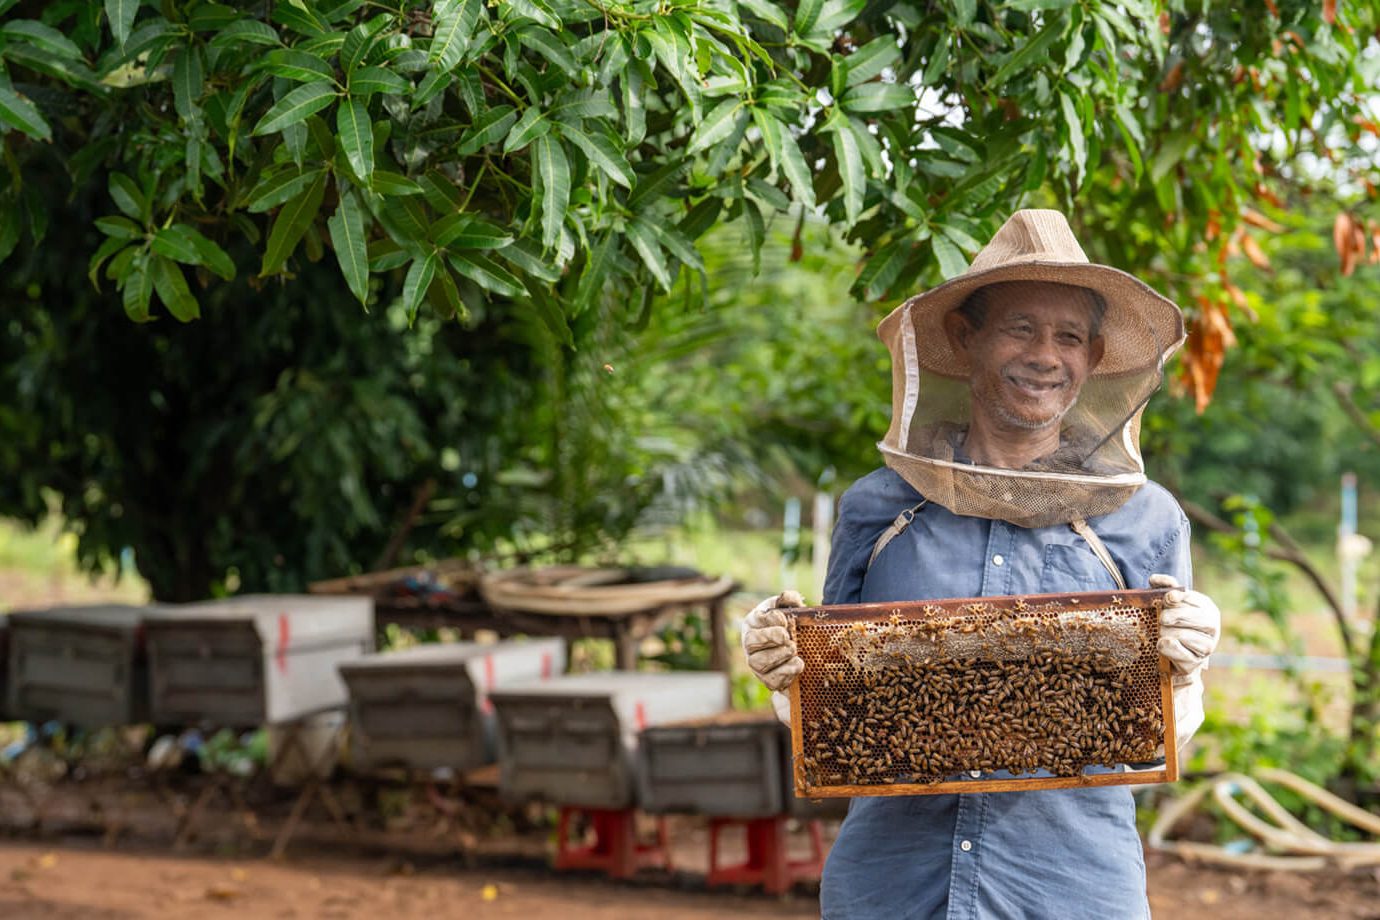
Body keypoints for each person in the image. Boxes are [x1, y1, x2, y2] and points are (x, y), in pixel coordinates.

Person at [741, 210, 1221, 919]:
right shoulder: (878, 509)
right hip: (892, 886)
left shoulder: (1144, 519)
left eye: (1068, 337)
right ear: (966, 339)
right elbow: (828, 696)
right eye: (1020, 328)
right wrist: (780, 664)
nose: (1045, 356)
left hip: (1070, 886)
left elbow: (1164, 728)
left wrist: (1187, 668)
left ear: (1092, 358)